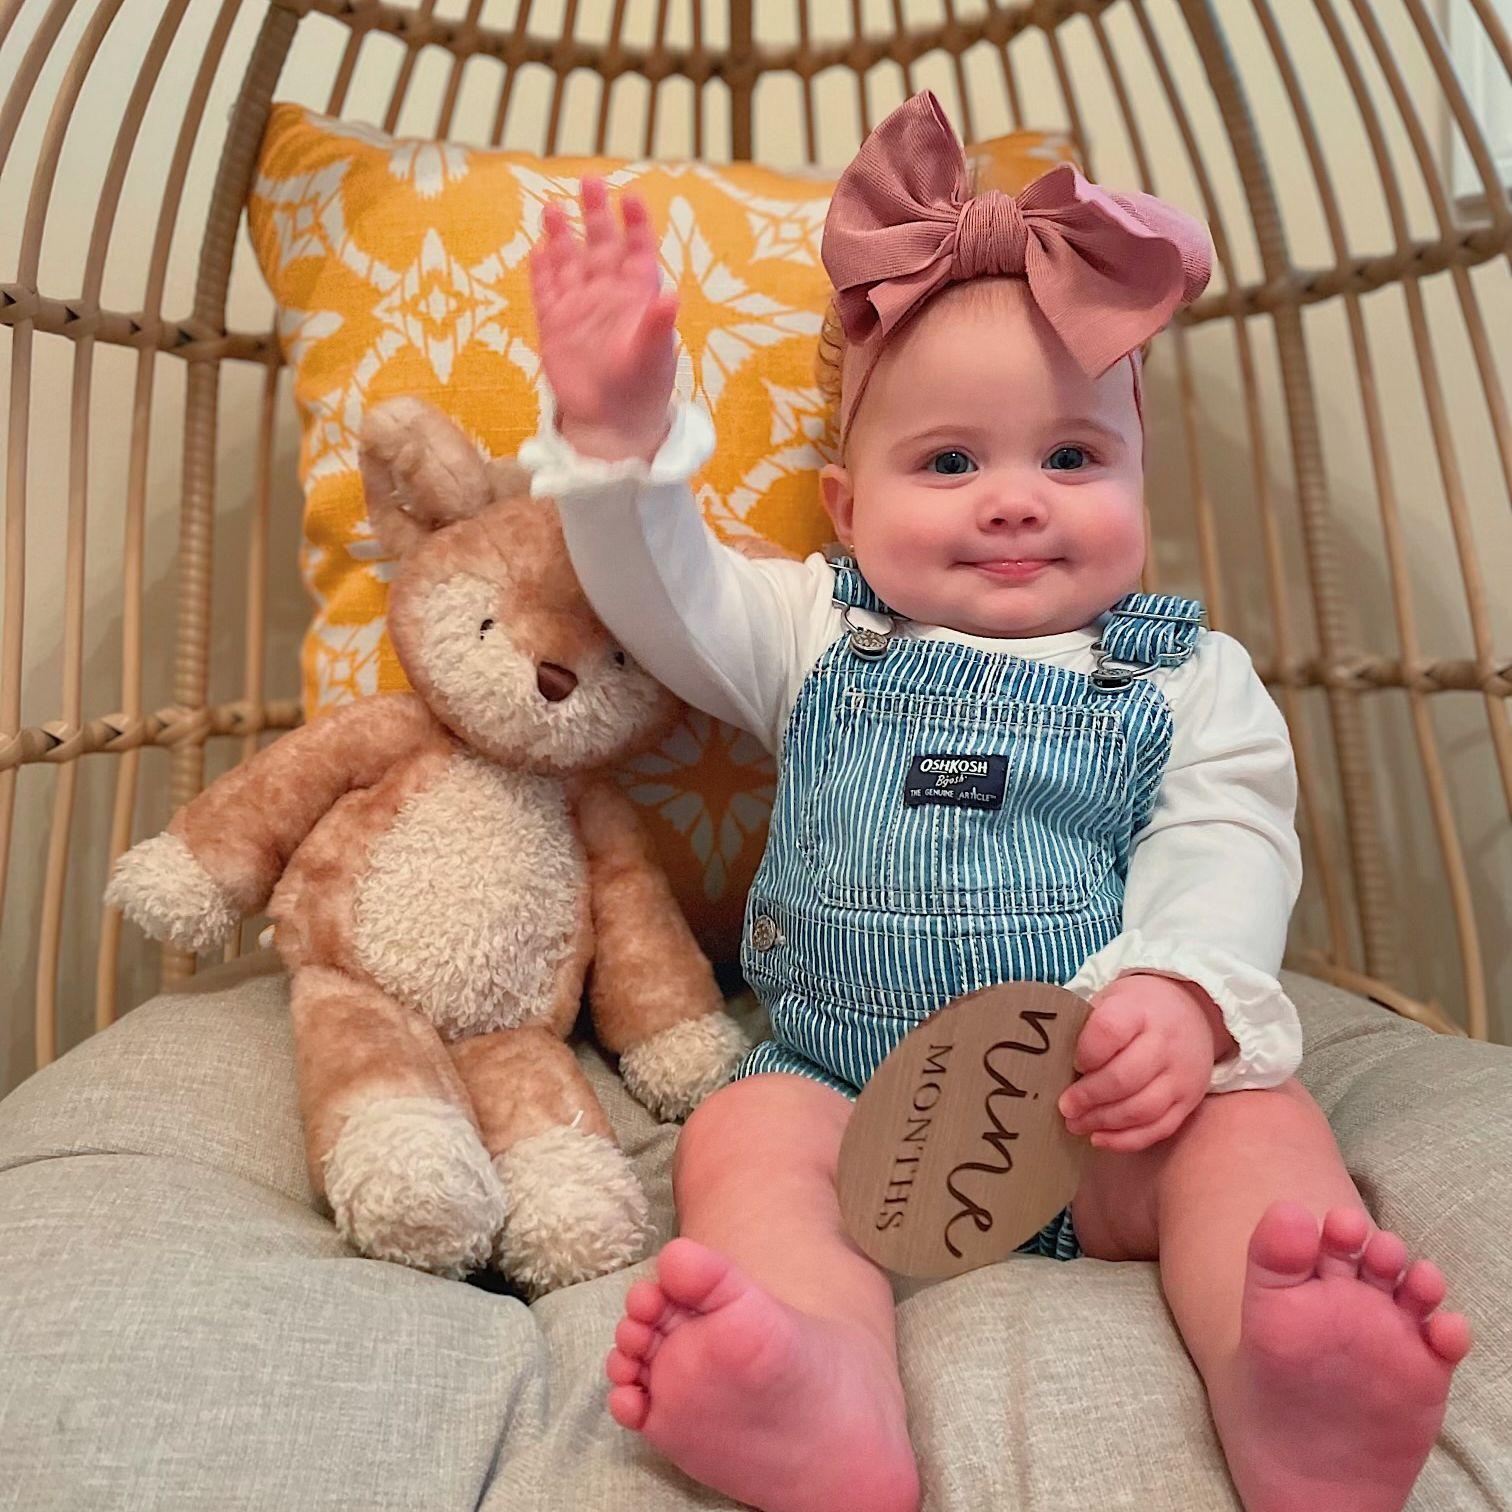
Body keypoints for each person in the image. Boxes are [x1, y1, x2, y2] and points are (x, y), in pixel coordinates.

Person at [517, 88, 1471, 1512]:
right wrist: (617, 443)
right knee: (740, 1140)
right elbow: (668, 601)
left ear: (1140, 485)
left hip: (1102, 1115)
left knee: (1254, 1131)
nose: (1014, 499)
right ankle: (821, 1388)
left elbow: (1228, 839)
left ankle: (1292, 1383)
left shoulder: (1185, 679)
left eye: (1072, 457)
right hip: (852, 1110)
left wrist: (1181, 991)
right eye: (950, 461)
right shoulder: (816, 634)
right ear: (848, 511)